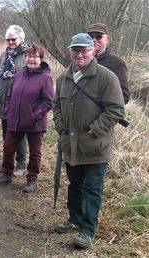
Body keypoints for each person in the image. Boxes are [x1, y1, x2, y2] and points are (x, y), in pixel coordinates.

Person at [53, 33, 125, 249]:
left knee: (93, 187)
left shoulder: (107, 77)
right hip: (70, 145)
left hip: (95, 146)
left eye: (84, 50)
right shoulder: (63, 78)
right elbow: (56, 106)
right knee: (74, 184)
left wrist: (94, 130)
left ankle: (87, 230)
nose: (79, 54)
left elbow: (116, 110)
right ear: (70, 52)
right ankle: (74, 218)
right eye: (75, 50)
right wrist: (61, 127)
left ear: (93, 51)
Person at [0, 43, 54, 192]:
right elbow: (9, 94)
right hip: (15, 118)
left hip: (34, 123)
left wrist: (35, 115)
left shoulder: (46, 78)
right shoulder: (19, 74)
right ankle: (7, 173)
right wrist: (8, 108)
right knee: (8, 147)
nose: (31, 59)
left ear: (41, 59)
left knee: (35, 152)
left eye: (35, 57)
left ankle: (32, 179)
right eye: (29, 56)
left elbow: (48, 102)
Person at [0, 25, 28, 175]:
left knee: (19, 134)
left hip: (19, 102)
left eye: (13, 39)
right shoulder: (3, 55)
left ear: (21, 38)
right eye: (8, 39)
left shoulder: (27, 55)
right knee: (6, 133)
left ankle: (21, 164)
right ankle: (8, 163)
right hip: (3, 101)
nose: (10, 42)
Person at [87, 23, 129, 104]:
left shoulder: (117, 63)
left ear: (107, 39)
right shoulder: (81, 60)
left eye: (98, 36)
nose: (94, 40)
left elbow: (124, 96)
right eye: (90, 37)